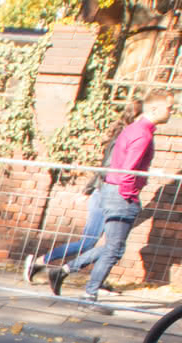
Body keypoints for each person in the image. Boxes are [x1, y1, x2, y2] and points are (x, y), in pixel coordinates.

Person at [46, 89, 173, 309]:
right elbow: (127, 169)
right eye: (169, 107)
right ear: (154, 108)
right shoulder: (142, 134)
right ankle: (89, 296)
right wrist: (129, 195)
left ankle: (64, 271)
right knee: (114, 249)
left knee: (114, 247)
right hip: (121, 195)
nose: (172, 111)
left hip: (112, 192)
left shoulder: (134, 129)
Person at [22, 100, 138, 286]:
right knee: (89, 244)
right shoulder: (124, 138)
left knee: (111, 246)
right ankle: (39, 262)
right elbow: (107, 168)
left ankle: (98, 282)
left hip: (104, 193)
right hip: (104, 194)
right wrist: (92, 189)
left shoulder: (126, 137)